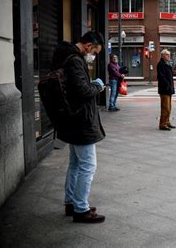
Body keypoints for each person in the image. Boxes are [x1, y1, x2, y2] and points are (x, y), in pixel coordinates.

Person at [50, 31, 107, 223]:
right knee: (88, 165)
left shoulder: (65, 57)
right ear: (89, 45)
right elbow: (82, 91)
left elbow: (75, 88)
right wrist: (98, 86)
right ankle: (81, 209)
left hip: (71, 119)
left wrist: (89, 84)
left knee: (75, 164)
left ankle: (71, 202)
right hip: (80, 120)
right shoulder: (74, 60)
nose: (94, 56)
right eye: (95, 52)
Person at [157, 49, 176, 131]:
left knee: (169, 107)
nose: (169, 56)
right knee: (165, 107)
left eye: (169, 55)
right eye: (167, 55)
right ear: (162, 56)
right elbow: (161, 77)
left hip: (169, 89)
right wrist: (167, 85)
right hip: (164, 89)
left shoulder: (167, 64)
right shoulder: (160, 64)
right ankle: (162, 124)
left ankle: (167, 122)